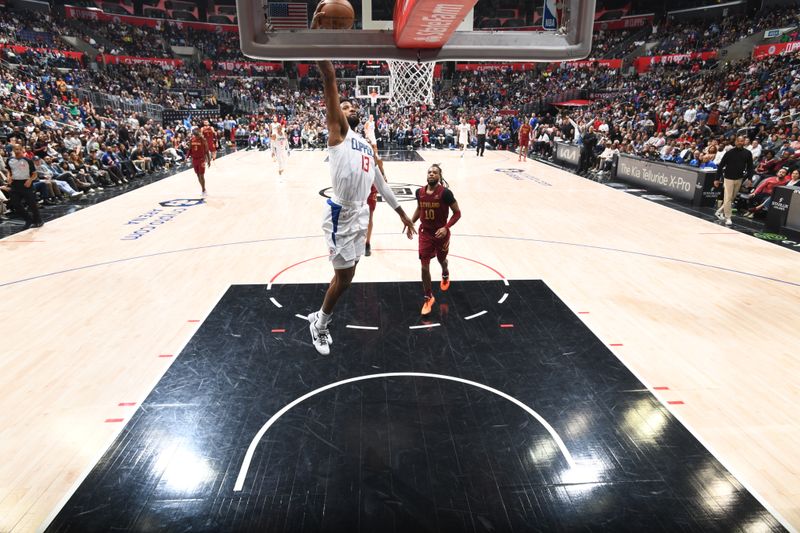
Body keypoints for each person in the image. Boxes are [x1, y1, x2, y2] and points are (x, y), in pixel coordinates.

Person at [305, 37, 416, 355]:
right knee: (342, 276)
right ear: (337, 115)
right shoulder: (338, 134)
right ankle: (320, 324)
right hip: (341, 212)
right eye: (344, 106)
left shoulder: (366, 145)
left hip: (360, 215)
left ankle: (320, 316)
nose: (349, 108)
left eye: (353, 107)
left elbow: (380, 184)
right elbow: (329, 78)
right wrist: (319, 40)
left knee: (347, 277)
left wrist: (401, 213)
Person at [410, 164, 461, 316]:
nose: (431, 174)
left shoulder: (445, 193)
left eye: (435, 172)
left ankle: (445, 272)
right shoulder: (419, 192)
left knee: (441, 260)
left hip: (441, 233)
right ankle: (428, 297)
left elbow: (457, 213)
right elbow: (420, 209)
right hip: (425, 233)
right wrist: (410, 223)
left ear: (439, 176)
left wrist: (446, 227)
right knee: (424, 267)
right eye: (429, 172)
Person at [715, 135, 754, 226]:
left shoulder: (748, 153)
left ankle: (719, 211)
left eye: (742, 141)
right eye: (738, 141)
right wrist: (717, 178)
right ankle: (728, 217)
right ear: (736, 142)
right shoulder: (729, 152)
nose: (740, 142)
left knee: (731, 198)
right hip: (728, 178)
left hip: (739, 178)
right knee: (728, 198)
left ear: (744, 142)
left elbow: (750, 167)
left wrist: (750, 178)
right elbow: (721, 166)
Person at [7, 144, 43, 229]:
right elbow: (9, 170)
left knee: (32, 204)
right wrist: (9, 177)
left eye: (19, 149)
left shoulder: (28, 160)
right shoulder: (9, 160)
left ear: (22, 149)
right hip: (15, 184)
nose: (18, 151)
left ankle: (39, 220)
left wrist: (30, 180)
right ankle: (28, 219)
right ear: (13, 150)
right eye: (16, 149)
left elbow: (34, 174)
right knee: (15, 204)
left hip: (26, 183)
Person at [189, 128, 211, 195]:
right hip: (194, 159)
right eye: (195, 135)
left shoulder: (203, 140)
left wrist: (209, 160)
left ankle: (203, 189)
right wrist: (186, 157)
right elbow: (190, 149)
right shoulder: (191, 140)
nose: (196, 136)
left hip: (201, 159)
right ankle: (203, 188)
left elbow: (207, 151)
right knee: (198, 175)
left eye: (197, 135)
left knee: (202, 175)